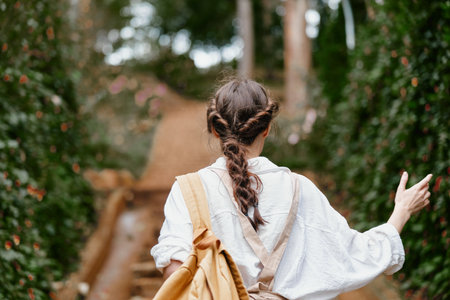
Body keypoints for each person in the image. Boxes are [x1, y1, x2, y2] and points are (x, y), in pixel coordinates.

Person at [150, 79, 432, 299]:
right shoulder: (300, 189)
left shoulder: (188, 190)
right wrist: (401, 212)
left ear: (215, 129)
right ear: (267, 128)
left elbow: (175, 271)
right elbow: (355, 253)